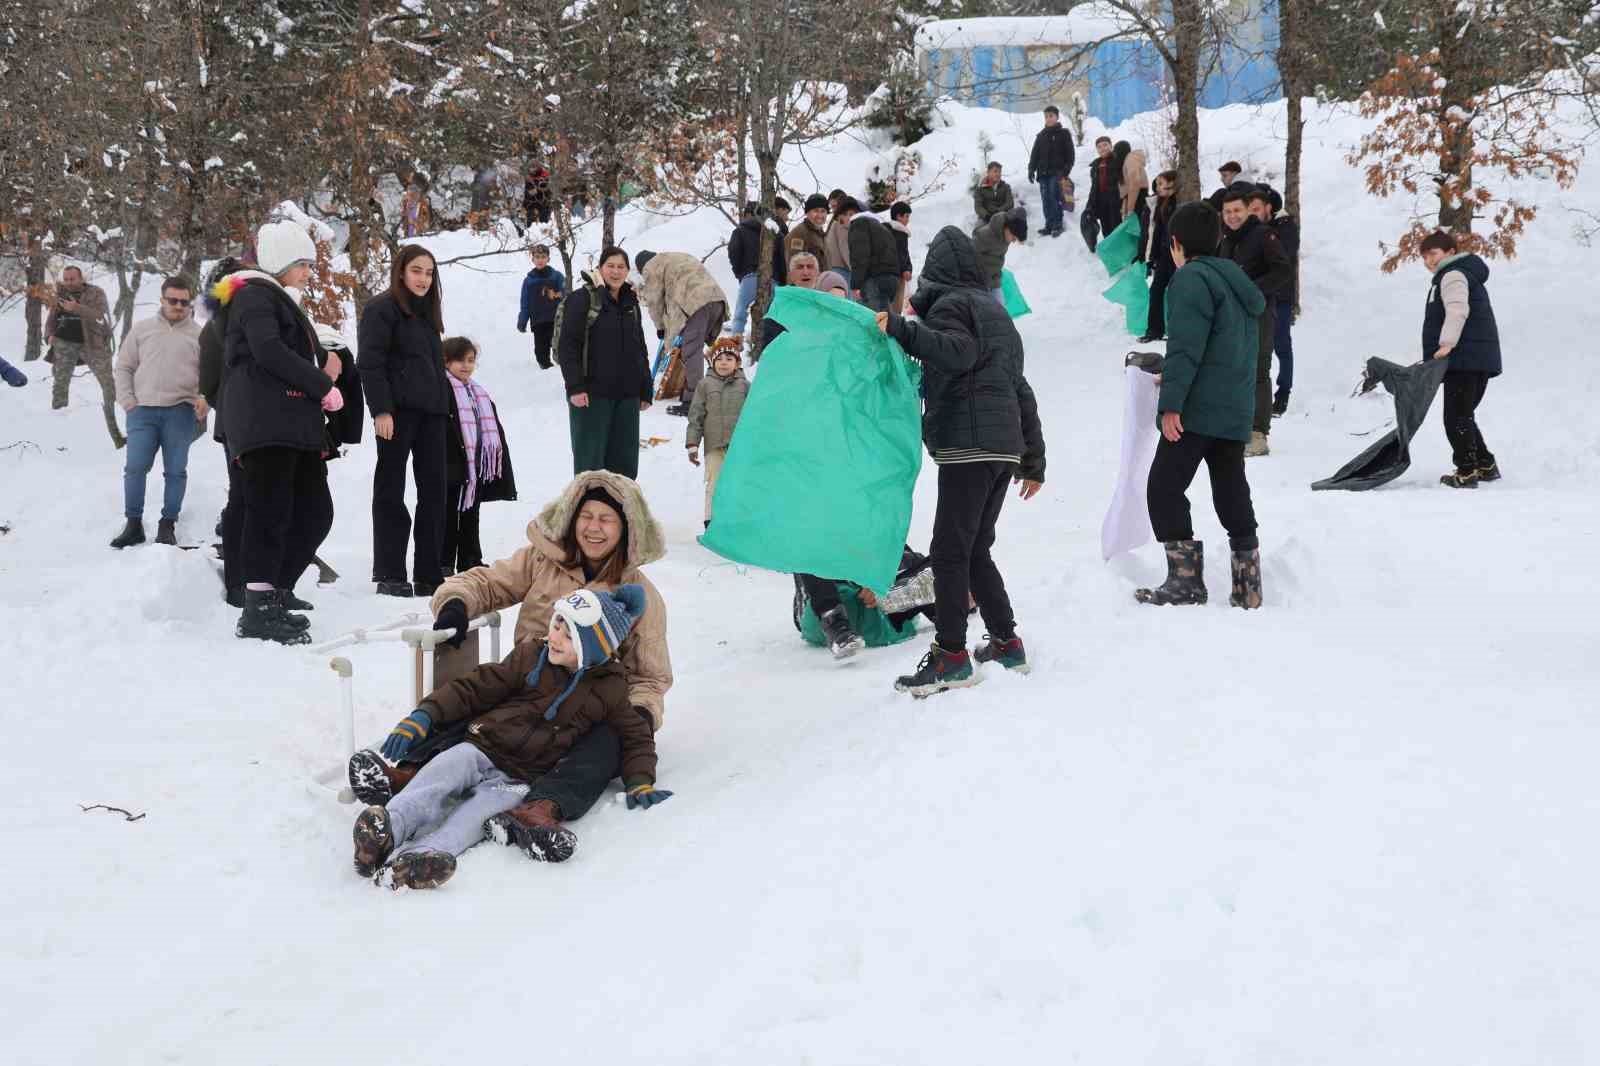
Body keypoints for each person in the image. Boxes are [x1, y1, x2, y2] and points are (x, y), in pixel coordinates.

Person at [351, 473, 671, 853]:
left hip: (588, 707)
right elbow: (489, 583)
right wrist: (456, 603)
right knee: (485, 696)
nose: (593, 528)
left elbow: (650, 677)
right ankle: (409, 774)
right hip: (530, 678)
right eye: (587, 515)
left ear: (627, 528)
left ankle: (542, 806)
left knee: (610, 738)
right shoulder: (545, 559)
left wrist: (638, 717)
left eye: (607, 519)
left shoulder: (641, 597)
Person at [351, 586, 664, 890]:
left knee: (473, 819)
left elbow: (634, 734)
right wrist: (425, 714)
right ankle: (387, 829)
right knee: (439, 774)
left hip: (521, 777)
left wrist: (640, 778)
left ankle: (418, 860)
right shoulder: (531, 655)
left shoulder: (610, 688)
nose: (554, 637)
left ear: (593, 649)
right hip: (481, 748)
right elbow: (476, 685)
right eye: (557, 623)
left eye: (569, 636)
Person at [876, 225, 1046, 696]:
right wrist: (1032, 459)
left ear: (936, 273)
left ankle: (951, 656)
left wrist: (903, 329)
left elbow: (957, 352)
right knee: (974, 550)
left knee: (951, 552)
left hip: (970, 446)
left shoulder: (952, 306)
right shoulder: (997, 314)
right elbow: (1021, 391)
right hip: (1001, 448)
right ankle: (1007, 643)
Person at [218, 220, 343, 644]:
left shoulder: (275, 299)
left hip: (292, 422)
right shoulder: (253, 294)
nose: (309, 272)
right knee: (268, 512)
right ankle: (258, 608)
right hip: (266, 422)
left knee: (313, 510)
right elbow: (268, 350)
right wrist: (322, 384)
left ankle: (276, 589)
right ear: (281, 261)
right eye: (303, 263)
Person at [1135, 201, 1264, 610]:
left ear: (1175, 244)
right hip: (1233, 407)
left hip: (1197, 409)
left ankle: (1186, 582)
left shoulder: (1190, 279)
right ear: (1218, 238)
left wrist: (1171, 403)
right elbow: (1221, 349)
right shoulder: (1235, 281)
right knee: (1230, 488)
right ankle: (1248, 586)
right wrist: (1173, 378)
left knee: (1164, 487)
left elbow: (1187, 348)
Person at [358, 244, 452, 597]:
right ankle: (390, 572)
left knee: (434, 492)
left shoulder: (428, 313)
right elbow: (371, 362)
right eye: (417, 271)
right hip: (396, 415)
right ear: (401, 272)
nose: (423, 279)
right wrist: (381, 409)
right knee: (391, 490)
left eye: (429, 273)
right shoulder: (381, 309)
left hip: (431, 414)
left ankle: (429, 573)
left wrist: (444, 408)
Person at [110, 275, 204, 548]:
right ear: (162, 300)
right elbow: (124, 366)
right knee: (135, 468)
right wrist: (128, 401)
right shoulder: (142, 329)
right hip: (142, 412)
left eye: (184, 302)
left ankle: (167, 524)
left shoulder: (199, 335)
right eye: (172, 300)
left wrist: (204, 398)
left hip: (180, 411)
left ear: (190, 303)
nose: (178, 305)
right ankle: (133, 524)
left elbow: (210, 375)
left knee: (175, 471)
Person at [1419, 230, 1502, 488]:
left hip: (1464, 357)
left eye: (1433, 253)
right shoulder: (1461, 274)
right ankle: (1485, 464)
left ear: (1450, 253)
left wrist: (1446, 344)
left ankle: (1466, 472)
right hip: (1475, 356)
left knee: (1455, 417)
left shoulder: (1453, 275)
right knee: (1463, 414)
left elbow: (1457, 310)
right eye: (1424, 256)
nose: (1429, 261)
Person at [561, 248, 653, 477]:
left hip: (627, 396)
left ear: (627, 271)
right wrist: (575, 387)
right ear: (600, 268)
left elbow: (639, 347)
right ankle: (588, 510)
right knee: (590, 464)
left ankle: (619, 511)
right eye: (610, 266)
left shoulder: (630, 302)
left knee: (624, 464)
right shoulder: (582, 299)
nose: (615, 271)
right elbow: (568, 345)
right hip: (593, 395)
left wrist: (645, 388)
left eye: (621, 267)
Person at [1219, 190, 1293, 457]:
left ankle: (1258, 433)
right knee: (1234, 369)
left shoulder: (1263, 235)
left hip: (1259, 314)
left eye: (1237, 210)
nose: (1232, 216)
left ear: (1248, 210)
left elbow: (1283, 270)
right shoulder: (1226, 240)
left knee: (1258, 370)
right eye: (1227, 212)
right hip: (1231, 316)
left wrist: (1252, 290)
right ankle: (1236, 428)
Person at [442, 337, 516, 574]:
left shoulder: (477, 392)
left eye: (470, 360)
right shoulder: (442, 389)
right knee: (448, 512)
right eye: (459, 360)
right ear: (446, 361)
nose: (466, 366)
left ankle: (470, 559)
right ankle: (444, 561)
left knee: (471, 512)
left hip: (474, 465)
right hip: (452, 461)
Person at [634, 248, 726, 416]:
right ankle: (697, 390)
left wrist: (660, 327)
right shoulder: (676, 257)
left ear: (642, 267)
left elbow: (654, 301)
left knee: (691, 351)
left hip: (697, 303)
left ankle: (693, 402)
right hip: (716, 300)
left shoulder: (651, 267)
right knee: (690, 349)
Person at [685, 336, 747, 529]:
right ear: (712, 362)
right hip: (714, 446)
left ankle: (733, 521)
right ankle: (710, 521)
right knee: (714, 483)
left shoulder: (745, 387)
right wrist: (692, 444)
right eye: (719, 359)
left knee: (737, 483)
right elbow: (696, 416)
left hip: (739, 446)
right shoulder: (705, 385)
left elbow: (754, 416)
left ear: (737, 363)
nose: (723, 363)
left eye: (729, 359)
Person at [45, 266, 115, 415]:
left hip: (91, 341)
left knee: (106, 379)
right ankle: (58, 414)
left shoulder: (96, 292)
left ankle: (114, 411)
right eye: (66, 279)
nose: (68, 282)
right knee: (60, 381)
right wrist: (49, 334)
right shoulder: (61, 293)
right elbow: (52, 317)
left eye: (72, 279)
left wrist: (76, 308)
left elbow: (100, 316)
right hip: (64, 341)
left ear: (81, 278)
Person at [1257, 187, 1300, 415]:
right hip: (1265, 296)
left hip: (1280, 297)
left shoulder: (1285, 227)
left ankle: (1283, 393)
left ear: (1269, 207)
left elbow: (1283, 257)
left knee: (1282, 346)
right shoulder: (1265, 228)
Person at [727, 202, 785, 335]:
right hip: (773, 280)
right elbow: (782, 260)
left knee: (740, 313)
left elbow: (734, 252)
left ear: (748, 214)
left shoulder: (740, 231)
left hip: (749, 278)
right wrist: (781, 281)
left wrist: (740, 274)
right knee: (772, 317)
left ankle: (735, 342)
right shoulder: (776, 233)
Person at [1140, 171, 1179, 343]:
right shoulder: (1157, 205)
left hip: (1178, 254)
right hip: (1164, 254)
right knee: (1155, 290)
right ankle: (1154, 330)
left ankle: (1176, 331)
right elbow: (1155, 233)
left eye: (1163, 184)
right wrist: (1152, 258)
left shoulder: (1178, 202)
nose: (1159, 187)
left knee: (1177, 293)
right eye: (1157, 184)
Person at [1027, 106, 1074, 237]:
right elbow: (1034, 155)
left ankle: (1057, 224)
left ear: (1057, 117)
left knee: (1055, 197)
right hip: (1043, 174)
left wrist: (1066, 170)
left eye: (1051, 116)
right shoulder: (1041, 136)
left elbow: (1070, 154)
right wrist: (1031, 169)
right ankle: (1048, 224)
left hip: (1057, 173)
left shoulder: (1064, 134)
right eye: (1046, 116)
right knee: (1045, 198)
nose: (1048, 119)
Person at [516, 244, 565, 369]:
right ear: (532, 259)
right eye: (537, 257)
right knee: (540, 350)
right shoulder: (529, 281)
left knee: (558, 345)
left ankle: (561, 369)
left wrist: (558, 294)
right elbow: (525, 303)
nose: (540, 260)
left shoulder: (556, 276)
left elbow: (566, 292)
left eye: (543, 257)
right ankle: (545, 369)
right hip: (538, 321)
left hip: (555, 319)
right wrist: (522, 321)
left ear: (548, 259)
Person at [848, 201, 901, 312]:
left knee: (873, 318)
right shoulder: (881, 227)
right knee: (885, 319)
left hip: (874, 280)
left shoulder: (858, 224)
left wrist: (855, 284)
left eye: (841, 219)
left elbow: (860, 257)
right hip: (891, 278)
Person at [973, 207, 1028, 306]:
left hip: (993, 280)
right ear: (1007, 228)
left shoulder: (1004, 237)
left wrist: (996, 280)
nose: (1013, 241)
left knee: (1000, 308)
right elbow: (969, 259)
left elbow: (997, 261)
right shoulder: (984, 236)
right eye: (1013, 237)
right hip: (978, 283)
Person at [1083, 137, 1122, 251]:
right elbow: (1094, 187)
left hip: (1115, 200)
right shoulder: (1095, 166)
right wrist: (1090, 204)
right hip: (1101, 201)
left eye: (1105, 145)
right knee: (1106, 227)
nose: (1102, 148)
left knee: (1117, 226)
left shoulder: (1117, 160)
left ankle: (1119, 250)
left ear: (1111, 146)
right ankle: (1110, 250)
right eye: (1099, 147)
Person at [786, 194, 830, 270]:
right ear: (807, 213)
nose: (820, 215)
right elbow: (794, 264)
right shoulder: (799, 233)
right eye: (815, 211)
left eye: (823, 211)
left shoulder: (820, 233)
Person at [823, 197, 855, 289]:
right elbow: (844, 247)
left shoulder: (836, 222)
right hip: (841, 267)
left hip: (834, 266)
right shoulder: (842, 223)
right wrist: (853, 269)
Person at [888, 201, 914, 314]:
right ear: (898, 216)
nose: (908, 220)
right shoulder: (898, 232)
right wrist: (905, 269)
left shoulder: (888, 230)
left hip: (891, 273)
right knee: (896, 306)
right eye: (906, 216)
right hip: (897, 275)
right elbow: (901, 254)